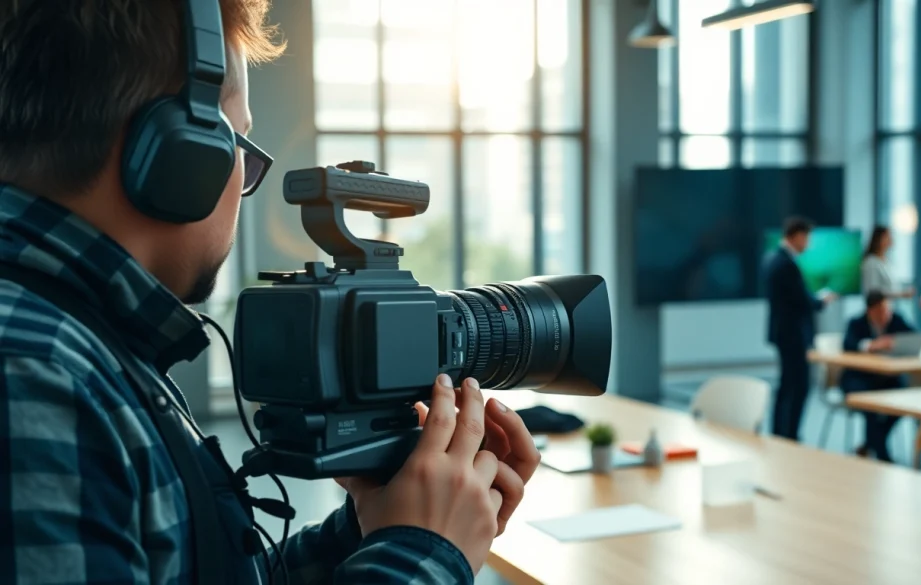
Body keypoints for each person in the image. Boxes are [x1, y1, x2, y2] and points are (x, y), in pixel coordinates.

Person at [0, 1, 539, 583]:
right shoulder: (37, 376)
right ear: (183, 152)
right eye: (240, 145)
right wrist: (425, 552)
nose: (242, 178)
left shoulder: (84, 346)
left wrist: (371, 530)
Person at [764, 217, 838, 441]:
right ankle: (789, 436)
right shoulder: (785, 263)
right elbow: (801, 300)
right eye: (806, 237)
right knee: (798, 387)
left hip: (783, 332)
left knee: (787, 385)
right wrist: (821, 301)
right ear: (796, 236)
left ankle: (781, 433)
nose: (807, 243)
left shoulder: (773, 259)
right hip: (792, 334)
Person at [840, 291, 914, 462]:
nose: (884, 314)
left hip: (886, 378)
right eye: (880, 310)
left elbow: (915, 337)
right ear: (870, 310)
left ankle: (871, 442)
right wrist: (871, 345)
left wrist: (896, 343)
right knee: (870, 406)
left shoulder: (895, 319)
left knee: (905, 399)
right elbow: (848, 344)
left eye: (887, 309)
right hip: (858, 378)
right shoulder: (856, 323)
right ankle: (883, 457)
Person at [861, 225, 915, 299]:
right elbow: (873, 292)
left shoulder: (886, 261)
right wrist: (901, 294)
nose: (891, 239)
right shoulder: (871, 262)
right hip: (877, 308)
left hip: (888, 307)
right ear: (878, 239)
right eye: (887, 236)